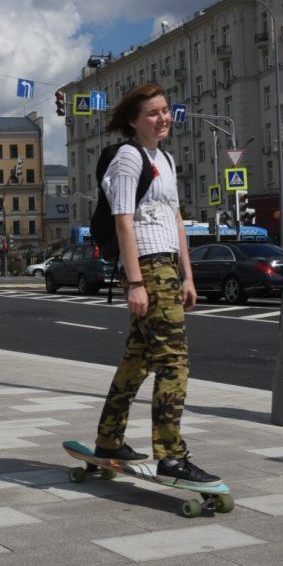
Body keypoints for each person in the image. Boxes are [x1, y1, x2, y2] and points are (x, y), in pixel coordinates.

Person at [90, 83, 217, 486]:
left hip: (168, 266)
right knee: (173, 362)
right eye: (152, 113)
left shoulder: (164, 157)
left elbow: (176, 218)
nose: (162, 118)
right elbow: (123, 220)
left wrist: (188, 274)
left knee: (137, 361)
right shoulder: (128, 159)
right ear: (133, 121)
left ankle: (108, 441)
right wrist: (135, 283)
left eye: (165, 111)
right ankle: (171, 456)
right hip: (147, 265)